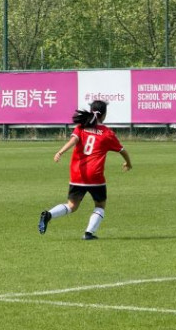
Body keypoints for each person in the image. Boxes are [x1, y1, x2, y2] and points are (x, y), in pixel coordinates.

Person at [38, 100, 132, 240]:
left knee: (71, 205)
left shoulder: (81, 127)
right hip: (95, 175)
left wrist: (60, 152)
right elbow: (122, 150)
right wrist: (128, 163)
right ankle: (89, 233)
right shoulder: (107, 133)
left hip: (77, 174)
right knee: (100, 205)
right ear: (104, 115)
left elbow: (73, 141)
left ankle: (49, 214)